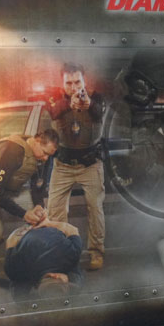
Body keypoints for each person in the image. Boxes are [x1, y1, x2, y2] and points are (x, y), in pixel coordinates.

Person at [0, 129, 59, 281]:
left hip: (11, 190)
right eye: (44, 153)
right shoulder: (12, 150)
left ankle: (38, 264)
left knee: (41, 218)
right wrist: (24, 214)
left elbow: (38, 186)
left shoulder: (43, 155)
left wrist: (38, 205)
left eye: (49, 155)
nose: (46, 158)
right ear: (37, 141)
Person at [47, 63, 106, 270]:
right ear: (62, 83)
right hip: (63, 164)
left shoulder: (96, 97)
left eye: (77, 82)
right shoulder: (54, 97)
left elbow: (99, 112)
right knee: (55, 211)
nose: (74, 87)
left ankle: (96, 252)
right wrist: (68, 104)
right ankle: (60, 254)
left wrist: (88, 104)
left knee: (95, 208)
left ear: (84, 81)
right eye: (69, 83)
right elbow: (53, 111)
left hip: (90, 164)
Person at [4, 206, 83, 288]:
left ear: (55, 276)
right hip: (33, 236)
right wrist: (43, 224)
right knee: (17, 278)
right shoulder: (12, 269)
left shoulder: (72, 253)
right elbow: (11, 240)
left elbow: (72, 230)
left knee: (17, 282)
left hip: (35, 234)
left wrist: (30, 226)